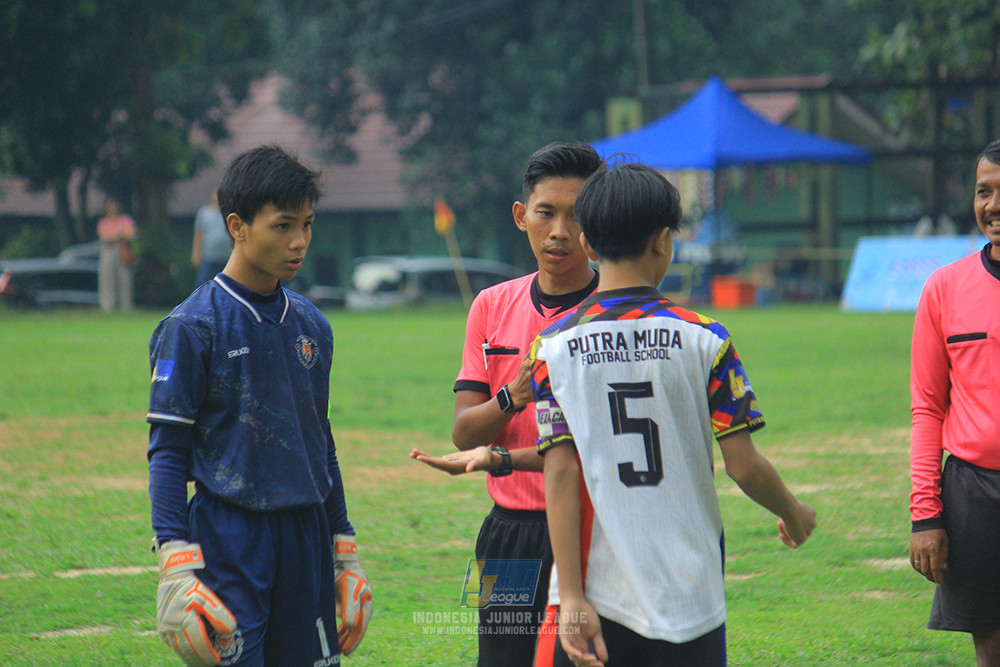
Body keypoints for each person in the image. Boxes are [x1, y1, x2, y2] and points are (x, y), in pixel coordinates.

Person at [529, 163, 816, 667]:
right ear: (663, 242)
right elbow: (743, 465)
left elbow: (559, 472)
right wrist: (793, 511)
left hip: (596, 595)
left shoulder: (552, 350)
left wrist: (569, 597)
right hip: (690, 594)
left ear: (589, 246)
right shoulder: (706, 338)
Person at [146, 144, 372, 667]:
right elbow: (168, 450)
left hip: (307, 535)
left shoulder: (313, 325)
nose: (299, 242)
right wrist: (175, 563)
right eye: (282, 226)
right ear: (237, 225)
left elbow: (320, 440)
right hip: (230, 539)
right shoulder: (191, 327)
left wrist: (345, 548)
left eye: (308, 225)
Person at [409, 141, 603, 666]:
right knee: (500, 660)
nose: (560, 231)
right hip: (507, 532)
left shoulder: (613, 314)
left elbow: (597, 448)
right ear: (522, 216)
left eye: (577, 215)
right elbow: (464, 432)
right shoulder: (491, 305)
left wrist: (498, 456)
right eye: (546, 213)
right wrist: (512, 397)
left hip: (594, 527)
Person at [910, 137, 1000, 667]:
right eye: (983, 191)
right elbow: (927, 408)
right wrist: (927, 515)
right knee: (990, 644)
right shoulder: (944, 289)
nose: (993, 206)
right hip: (973, 492)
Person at [96, 196, 137, 312]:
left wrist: (116, 237)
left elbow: (131, 234)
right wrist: (119, 236)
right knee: (107, 279)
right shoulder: (103, 222)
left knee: (125, 279)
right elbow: (105, 238)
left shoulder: (125, 220)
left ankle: (126, 306)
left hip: (123, 250)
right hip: (109, 251)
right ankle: (108, 307)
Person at [191, 190, 230, 287]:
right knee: (202, 282)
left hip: (226, 256)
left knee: (227, 284)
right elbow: (198, 234)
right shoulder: (204, 213)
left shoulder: (228, 212)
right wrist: (196, 253)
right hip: (208, 256)